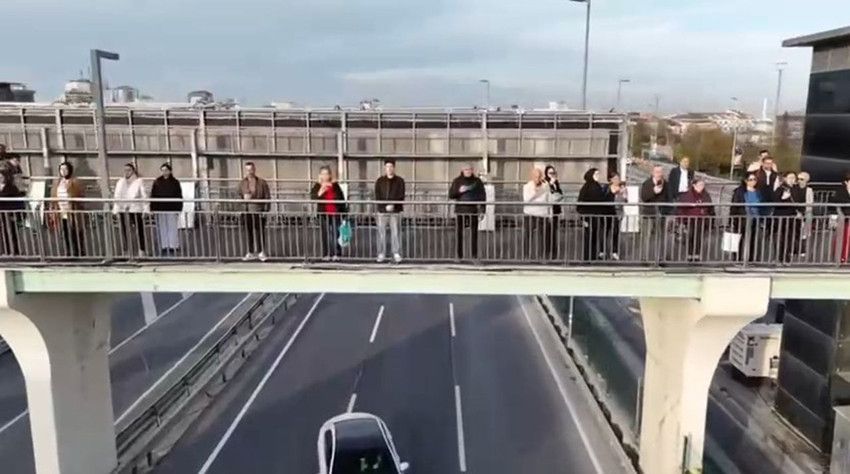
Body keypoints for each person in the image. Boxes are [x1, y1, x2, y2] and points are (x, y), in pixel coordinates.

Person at [310, 165, 348, 261]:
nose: (325, 176)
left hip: (335, 213)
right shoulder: (317, 186)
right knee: (325, 234)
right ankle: (326, 254)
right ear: (320, 175)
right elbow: (313, 197)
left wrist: (344, 213)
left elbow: (341, 198)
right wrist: (322, 189)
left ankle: (337, 254)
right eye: (323, 174)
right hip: (323, 214)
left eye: (326, 174)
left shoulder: (335, 186)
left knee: (336, 233)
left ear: (330, 175)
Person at [449, 164, 486, 261]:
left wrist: (483, 210)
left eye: (470, 169)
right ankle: (459, 256)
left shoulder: (477, 181)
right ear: (462, 170)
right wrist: (459, 191)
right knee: (459, 233)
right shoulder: (457, 181)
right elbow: (451, 195)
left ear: (472, 170)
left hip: (473, 210)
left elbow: (482, 196)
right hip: (460, 210)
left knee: (474, 234)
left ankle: (474, 256)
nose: (468, 171)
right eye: (466, 169)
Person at [113, 163, 149, 257]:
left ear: (133, 171)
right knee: (124, 231)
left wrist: (146, 209)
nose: (126, 172)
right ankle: (127, 251)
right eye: (125, 170)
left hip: (136, 209)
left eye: (129, 170)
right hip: (123, 209)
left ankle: (141, 250)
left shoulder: (139, 181)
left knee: (139, 230)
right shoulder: (120, 182)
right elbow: (116, 196)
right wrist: (116, 210)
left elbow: (144, 196)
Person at [49, 162, 85, 257]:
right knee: (65, 232)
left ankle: (79, 250)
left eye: (65, 169)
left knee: (75, 231)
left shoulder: (74, 181)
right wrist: (53, 208)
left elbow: (80, 195)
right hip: (61, 211)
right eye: (61, 169)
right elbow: (53, 195)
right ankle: (68, 251)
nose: (63, 171)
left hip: (72, 211)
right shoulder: (57, 182)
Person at [373, 159, 405, 263]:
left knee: (396, 233)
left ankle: (396, 253)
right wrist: (384, 206)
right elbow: (377, 196)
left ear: (394, 168)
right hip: (382, 211)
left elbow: (401, 195)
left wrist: (393, 205)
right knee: (381, 233)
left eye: (391, 166)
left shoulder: (400, 181)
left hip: (395, 211)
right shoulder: (379, 181)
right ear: (385, 168)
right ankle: (381, 253)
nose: (389, 169)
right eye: (387, 167)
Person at [677, 178, 714, 262]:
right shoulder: (687, 195)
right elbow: (681, 208)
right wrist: (681, 220)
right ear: (694, 185)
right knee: (690, 237)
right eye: (700, 185)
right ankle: (690, 254)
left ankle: (697, 255)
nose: (701, 187)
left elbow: (710, 208)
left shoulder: (706, 195)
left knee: (698, 237)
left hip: (701, 219)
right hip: (690, 219)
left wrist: (710, 219)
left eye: (703, 185)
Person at [730, 173, 766, 261]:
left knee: (753, 240)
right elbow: (734, 205)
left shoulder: (758, 192)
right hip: (742, 218)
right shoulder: (739, 191)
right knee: (738, 239)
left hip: (755, 219)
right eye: (750, 180)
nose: (753, 181)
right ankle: (737, 259)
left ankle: (751, 259)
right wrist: (732, 219)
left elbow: (762, 205)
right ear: (746, 181)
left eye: (754, 179)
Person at [239, 162, 270, 261]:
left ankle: (261, 252)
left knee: (259, 232)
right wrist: (243, 201)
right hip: (246, 211)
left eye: (251, 169)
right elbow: (237, 195)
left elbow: (267, 197)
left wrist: (266, 210)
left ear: (254, 170)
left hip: (259, 210)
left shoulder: (262, 183)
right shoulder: (242, 183)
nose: (249, 172)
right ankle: (250, 252)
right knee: (248, 232)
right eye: (247, 170)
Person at [150, 163, 183, 256]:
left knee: (172, 227)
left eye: (166, 170)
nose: (164, 172)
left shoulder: (175, 182)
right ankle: (164, 245)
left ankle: (173, 245)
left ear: (170, 171)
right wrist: (152, 208)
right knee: (162, 227)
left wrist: (179, 208)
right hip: (160, 208)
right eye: (162, 170)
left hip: (172, 207)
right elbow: (153, 195)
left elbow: (179, 195)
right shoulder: (157, 182)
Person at [773, 172, 804, 263]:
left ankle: (786, 257)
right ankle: (780, 257)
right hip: (781, 216)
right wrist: (783, 199)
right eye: (790, 177)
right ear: (785, 178)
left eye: (793, 178)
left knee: (789, 238)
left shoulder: (796, 189)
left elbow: (800, 202)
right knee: (780, 238)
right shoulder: (780, 189)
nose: (792, 179)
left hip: (792, 217)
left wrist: (800, 212)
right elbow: (775, 202)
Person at [577, 168, 607, 261]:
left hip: (596, 215)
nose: (598, 176)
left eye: (598, 174)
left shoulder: (597, 186)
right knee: (588, 237)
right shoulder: (586, 187)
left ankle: (592, 256)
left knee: (594, 237)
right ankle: (587, 257)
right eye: (596, 174)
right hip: (588, 216)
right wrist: (583, 218)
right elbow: (580, 202)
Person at [639, 165, 669, 258]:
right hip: (648, 213)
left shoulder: (666, 184)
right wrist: (653, 192)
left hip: (661, 213)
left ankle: (660, 258)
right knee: (646, 236)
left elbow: (669, 198)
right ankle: (645, 258)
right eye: (657, 172)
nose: (659, 174)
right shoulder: (647, 183)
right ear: (652, 173)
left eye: (660, 172)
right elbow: (644, 197)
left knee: (660, 236)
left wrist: (667, 210)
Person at [522, 168, 552, 260]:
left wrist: (550, 214)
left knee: (542, 237)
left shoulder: (546, 186)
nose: (537, 179)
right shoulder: (527, 186)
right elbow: (526, 200)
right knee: (527, 235)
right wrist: (535, 192)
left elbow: (549, 200)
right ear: (531, 177)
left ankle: (541, 256)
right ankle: (526, 256)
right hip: (530, 214)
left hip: (542, 214)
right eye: (535, 177)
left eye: (539, 177)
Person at [604, 172, 627, 260]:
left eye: (618, 178)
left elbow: (625, 201)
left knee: (615, 232)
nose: (617, 180)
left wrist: (624, 195)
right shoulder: (607, 188)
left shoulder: (622, 188)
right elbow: (605, 197)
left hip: (617, 213)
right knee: (605, 232)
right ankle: (603, 251)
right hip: (608, 211)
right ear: (611, 180)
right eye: (615, 179)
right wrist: (614, 192)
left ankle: (614, 252)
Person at [0, 172, 23, 255]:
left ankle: (14, 251)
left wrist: (16, 215)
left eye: (1, 177)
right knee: (3, 234)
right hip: (1, 215)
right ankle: (5, 251)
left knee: (12, 233)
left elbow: (17, 201)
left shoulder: (12, 188)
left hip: (9, 215)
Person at [829, 173, 850, 263]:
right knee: (842, 239)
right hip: (843, 219)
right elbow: (833, 205)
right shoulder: (840, 192)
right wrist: (834, 217)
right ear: (846, 182)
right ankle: (841, 257)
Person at [544, 165, 564, 259]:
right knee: (548, 233)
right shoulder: (545, 183)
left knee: (554, 232)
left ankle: (554, 253)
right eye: (550, 173)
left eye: (553, 173)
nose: (552, 175)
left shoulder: (556, 182)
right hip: (548, 211)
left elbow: (560, 194)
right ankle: (547, 252)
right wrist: (551, 184)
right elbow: (547, 195)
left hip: (555, 210)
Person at [797, 171, 815, 255]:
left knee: (804, 233)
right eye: (798, 179)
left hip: (806, 212)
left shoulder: (809, 190)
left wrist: (805, 212)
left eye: (801, 179)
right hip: (797, 212)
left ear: (806, 180)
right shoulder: (794, 189)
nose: (799, 181)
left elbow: (810, 203)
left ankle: (803, 249)